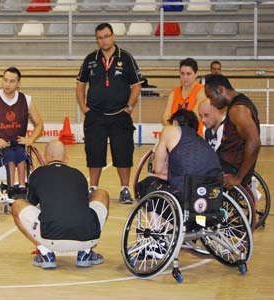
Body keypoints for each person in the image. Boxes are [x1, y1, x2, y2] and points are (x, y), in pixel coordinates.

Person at [11, 141, 109, 269]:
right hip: (86, 237)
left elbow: (32, 204)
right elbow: (84, 204)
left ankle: (45, 253)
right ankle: (85, 252)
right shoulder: (79, 175)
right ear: (66, 159)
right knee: (101, 193)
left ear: (45, 158)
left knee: (17, 204)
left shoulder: (37, 174)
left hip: (51, 237)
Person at [76, 22, 143, 204]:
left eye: (106, 36)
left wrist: (129, 107)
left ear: (113, 36)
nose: (104, 40)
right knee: (94, 152)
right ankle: (93, 188)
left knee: (123, 153)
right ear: (96, 40)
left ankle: (124, 189)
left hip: (120, 115)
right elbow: (80, 85)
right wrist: (84, 108)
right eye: (100, 37)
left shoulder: (126, 58)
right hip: (95, 115)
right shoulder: (90, 59)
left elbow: (136, 86)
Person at [0, 67, 44, 198]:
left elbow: (39, 124)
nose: (7, 84)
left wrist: (30, 139)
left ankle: (22, 187)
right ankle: (11, 187)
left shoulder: (26, 100)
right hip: (0, 145)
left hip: (18, 144)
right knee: (10, 157)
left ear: (18, 83)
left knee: (22, 156)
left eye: (12, 81)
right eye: (5, 80)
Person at [148, 109, 222, 198]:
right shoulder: (200, 140)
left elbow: (158, 169)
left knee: (149, 184)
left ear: (175, 123)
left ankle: (153, 212)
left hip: (187, 186)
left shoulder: (170, 130)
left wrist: (166, 175)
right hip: (214, 185)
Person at [204, 74, 261, 189]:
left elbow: (254, 143)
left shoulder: (238, 110)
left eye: (210, 97)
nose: (211, 102)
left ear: (220, 90)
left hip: (230, 168)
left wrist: (238, 178)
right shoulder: (239, 103)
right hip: (227, 163)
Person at [161, 58, 207, 135]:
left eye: (188, 74)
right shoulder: (174, 93)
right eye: (182, 73)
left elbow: (194, 118)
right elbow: (165, 118)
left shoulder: (202, 91)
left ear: (196, 74)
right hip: (175, 136)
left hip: (194, 136)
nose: (185, 77)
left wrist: (175, 126)